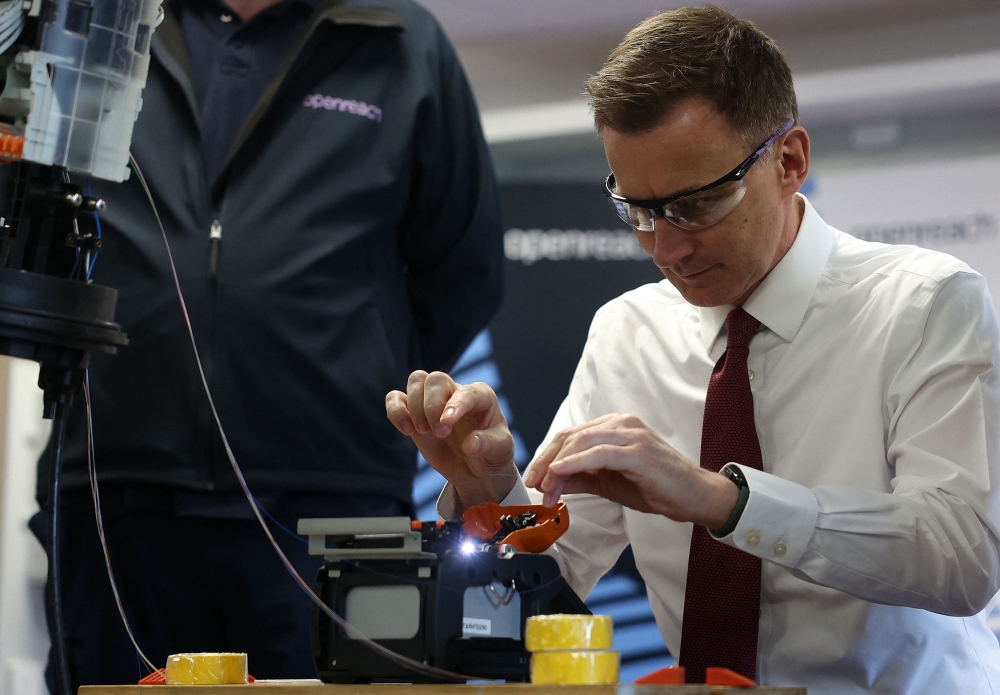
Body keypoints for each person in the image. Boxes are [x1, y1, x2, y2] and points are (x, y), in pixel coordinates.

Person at [385, 6, 1000, 693]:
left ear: (789, 161)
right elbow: (554, 567)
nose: (666, 248)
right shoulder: (628, 332)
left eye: (697, 205)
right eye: (638, 211)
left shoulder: (926, 303)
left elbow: (964, 552)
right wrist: (488, 489)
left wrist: (723, 500)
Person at [27, 0, 503, 690]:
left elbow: (464, 267)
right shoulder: (96, 19)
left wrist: (350, 369)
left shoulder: (401, 39)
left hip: (332, 505)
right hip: (117, 489)